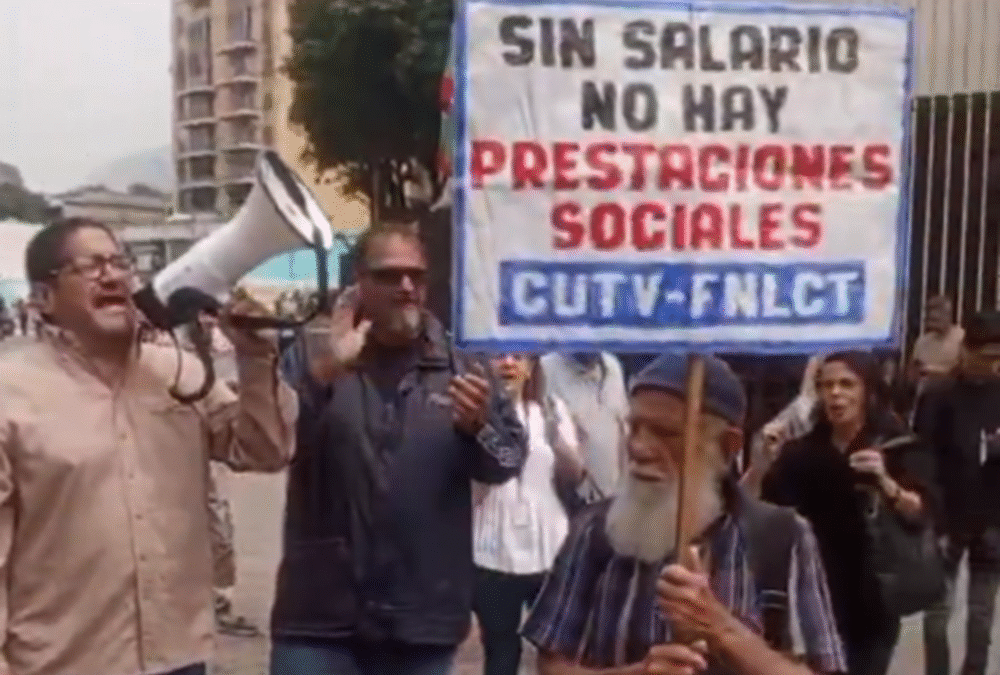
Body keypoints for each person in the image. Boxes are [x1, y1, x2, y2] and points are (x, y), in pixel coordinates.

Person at [0, 217, 297, 675]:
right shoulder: (11, 393)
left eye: (120, 263)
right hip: (60, 661)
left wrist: (256, 357)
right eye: (90, 267)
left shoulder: (182, 373)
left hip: (177, 656)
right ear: (43, 298)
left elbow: (264, 451)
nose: (113, 277)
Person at [270, 222, 528, 675]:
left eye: (416, 276)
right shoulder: (313, 355)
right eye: (389, 276)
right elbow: (271, 441)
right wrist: (327, 371)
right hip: (319, 618)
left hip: (422, 621)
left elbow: (506, 463)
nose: (406, 287)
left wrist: (479, 428)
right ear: (359, 283)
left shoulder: (463, 366)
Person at [522, 353, 846, 675]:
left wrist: (720, 628)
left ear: (729, 445)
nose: (639, 448)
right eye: (634, 427)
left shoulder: (783, 537)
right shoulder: (594, 529)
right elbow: (552, 666)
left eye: (666, 433)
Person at [762, 351, 938, 675]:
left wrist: (886, 482)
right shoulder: (803, 451)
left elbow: (920, 513)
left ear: (868, 391)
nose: (835, 393)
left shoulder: (896, 444)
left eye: (847, 384)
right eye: (826, 385)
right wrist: (764, 461)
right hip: (816, 594)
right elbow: (762, 510)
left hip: (874, 593)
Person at [472, 353, 582, 675]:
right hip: (492, 550)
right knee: (500, 650)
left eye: (518, 357)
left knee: (556, 648)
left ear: (531, 368)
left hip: (548, 548)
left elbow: (574, 475)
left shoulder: (550, 411)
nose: (508, 364)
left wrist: (560, 443)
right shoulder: (473, 415)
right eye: (499, 356)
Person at [915, 310, 1000, 675]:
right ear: (966, 350)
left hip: (992, 517)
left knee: (981, 615)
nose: (992, 365)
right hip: (946, 516)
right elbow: (921, 457)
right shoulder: (939, 394)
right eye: (986, 357)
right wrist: (932, 515)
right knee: (937, 613)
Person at [539, 351, 628, 502]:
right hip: (568, 503)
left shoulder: (612, 366)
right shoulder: (544, 369)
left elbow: (623, 430)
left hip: (613, 500)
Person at [909, 296, 964, 394]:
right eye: (930, 319)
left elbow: (965, 371)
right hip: (926, 394)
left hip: (953, 393)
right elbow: (912, 370)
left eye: (936, 320)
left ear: (948, 316)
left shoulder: (961, 338)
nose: (932, 324)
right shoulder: (922, 341)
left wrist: (938, 373)